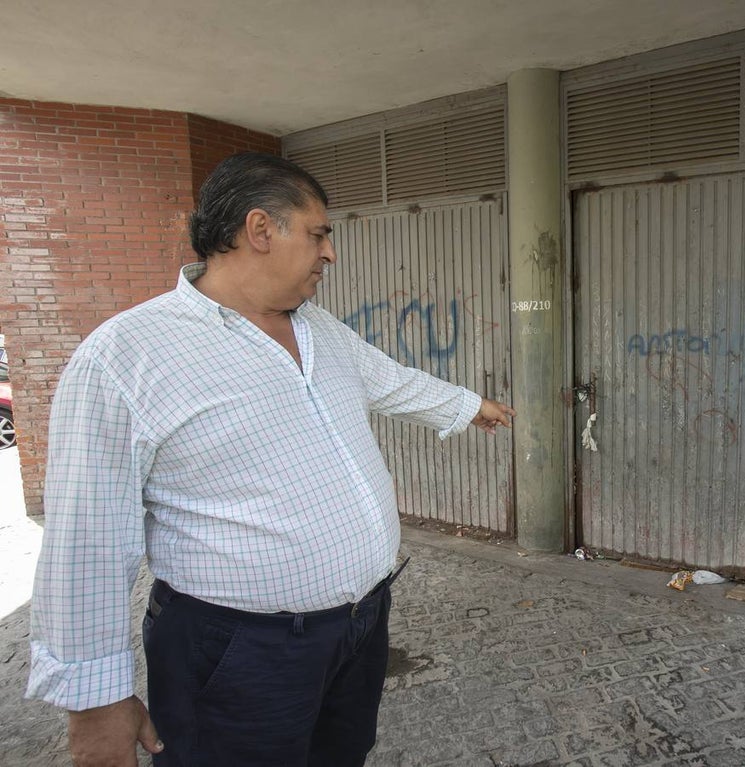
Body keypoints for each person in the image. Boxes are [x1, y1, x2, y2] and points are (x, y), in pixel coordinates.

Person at [26, 152, 515, 766]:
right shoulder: (127, 356)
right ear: (260, 230)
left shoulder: (321, 331)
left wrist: (470, 405)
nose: (329, 253)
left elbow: (389, 380)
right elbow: (86, 541)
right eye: (318, 234)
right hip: (236, 649)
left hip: (360, 625)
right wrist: (97, 706)